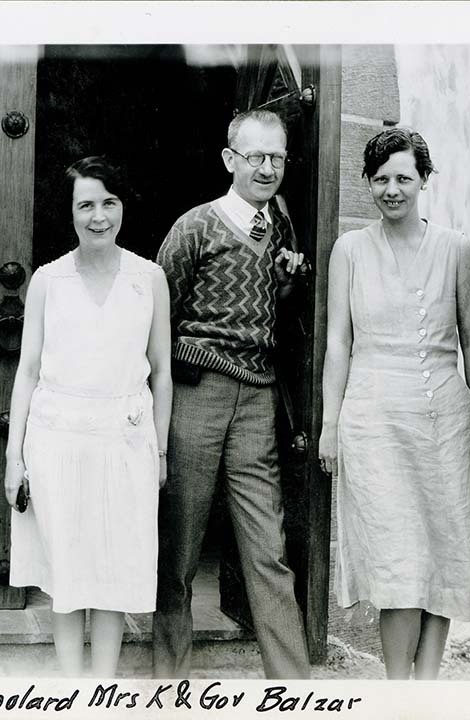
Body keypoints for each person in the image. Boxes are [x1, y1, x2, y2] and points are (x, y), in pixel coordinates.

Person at [317, 128, 470, 680]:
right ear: (368, 183)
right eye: (380, 179)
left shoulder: (454, 247)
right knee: (396, 553)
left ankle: (428, 682)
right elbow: (338, 343)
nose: (392, 189)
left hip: (446, 420)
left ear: (424, 179)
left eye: (403, 178)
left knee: (445, 545)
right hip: (373, 420)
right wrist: (330, 424)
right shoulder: (350, 249)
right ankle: (398, 686)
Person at [153, 109, 309, 679]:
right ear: (229, 160)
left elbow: (269, 301)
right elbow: (156, 314)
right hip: (198, 395)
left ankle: (293, 686)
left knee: (267, 546)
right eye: (255, 157)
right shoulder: (195, 226)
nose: (267, 169)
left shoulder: (281, 228)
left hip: (257, 400)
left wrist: (289, 281)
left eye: (277, 158)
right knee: (181, 545)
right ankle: (167, 684)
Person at [5, 157, 172, 677]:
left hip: (125, 442)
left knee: (113, 570)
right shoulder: (48, 281)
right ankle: (72, 692)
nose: (98, 217)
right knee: (67, 569)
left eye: (109, 203)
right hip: (58, 440)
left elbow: (162, 373)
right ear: (71, 212)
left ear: (122, 207)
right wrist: (15, 457)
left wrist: (160, 451)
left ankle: (103, 690)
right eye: (86, 205)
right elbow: (28, 371)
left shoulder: (149, 278)